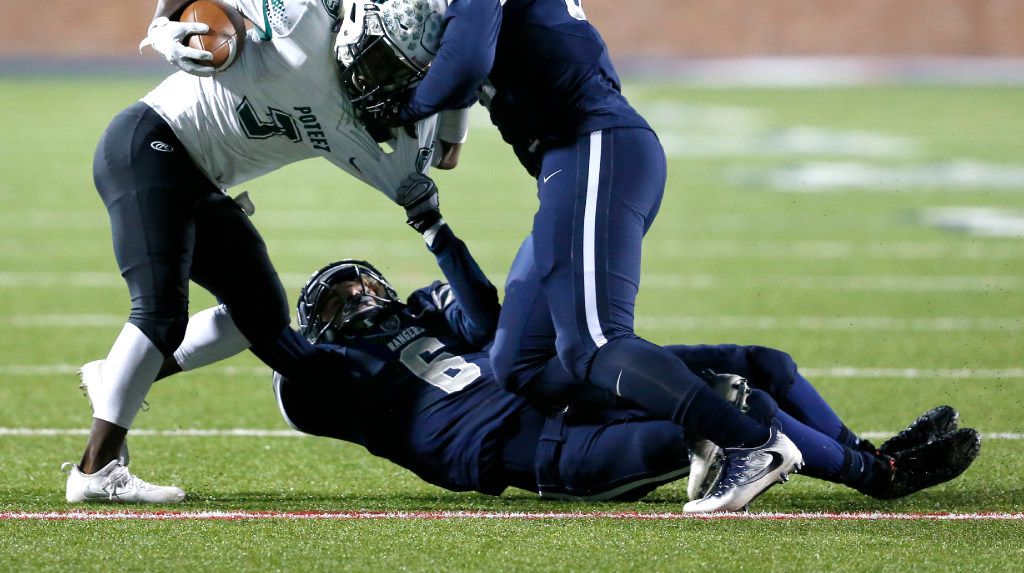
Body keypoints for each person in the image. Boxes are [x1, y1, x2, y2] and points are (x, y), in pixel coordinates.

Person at [94, 175, 980, 508]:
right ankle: (878, 478)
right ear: (323, 320)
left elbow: (488, 326)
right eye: (346, 291)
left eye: (366, 276)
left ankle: (870, 459)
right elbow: (265, 334)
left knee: (759, 368)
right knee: (729, 413)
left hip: (558, 388)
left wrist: (438, 236)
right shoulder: (321, 378)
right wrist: (219, 248)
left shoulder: (416, 317)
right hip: (546, 449)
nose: (366, 290)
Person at [357, 0, 799, 510]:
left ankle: (744, 439)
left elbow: (468, 55)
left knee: (593, 341)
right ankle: (742, 406)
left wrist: (401, 106)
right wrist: (442, 122)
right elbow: (465, 74)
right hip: (571, 156)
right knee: (522, 359)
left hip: (590, 142)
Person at [63, 0, 459, 504]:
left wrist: (449, 135)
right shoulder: (301, 9)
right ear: (359, 26)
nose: (384, 79)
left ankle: (114, 377)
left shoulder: (393, 128)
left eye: (400, 71)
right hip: (151, 143)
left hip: (203, 179)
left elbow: (442, 142)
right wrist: (162, 25)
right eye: (382, 58)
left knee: (262, 317)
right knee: (159, 313)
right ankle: (94, 472)